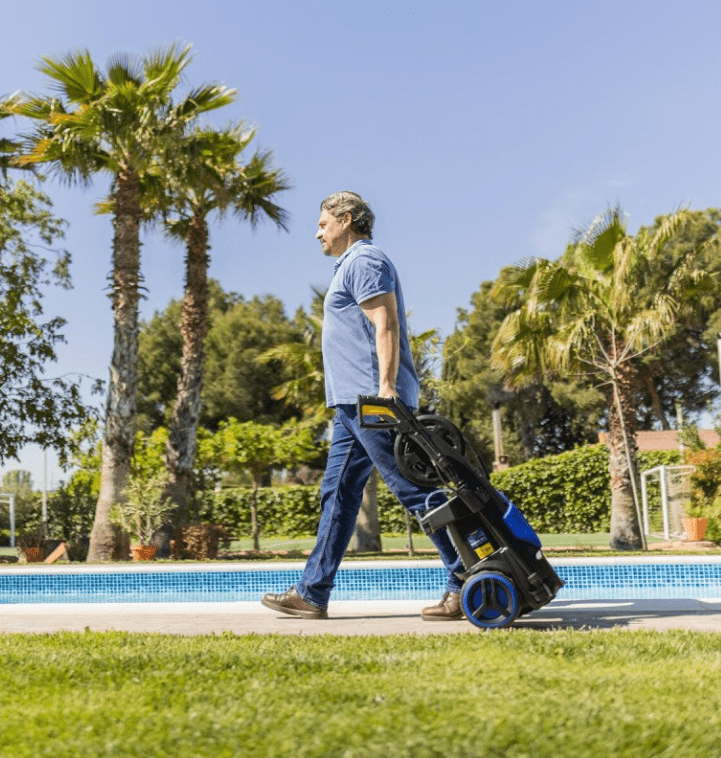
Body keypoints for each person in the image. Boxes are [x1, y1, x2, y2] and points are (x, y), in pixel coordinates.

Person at [262, 191, 464, 620]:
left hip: (373, 401)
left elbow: (385, 322)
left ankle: (464, 577)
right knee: (336, 495)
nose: (317, 232)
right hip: (351, 407)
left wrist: (387, 387)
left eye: (322, 223)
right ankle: (312, 592)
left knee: (413, 490)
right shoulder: (348, 266)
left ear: (346, 219)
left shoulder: (364, 262)